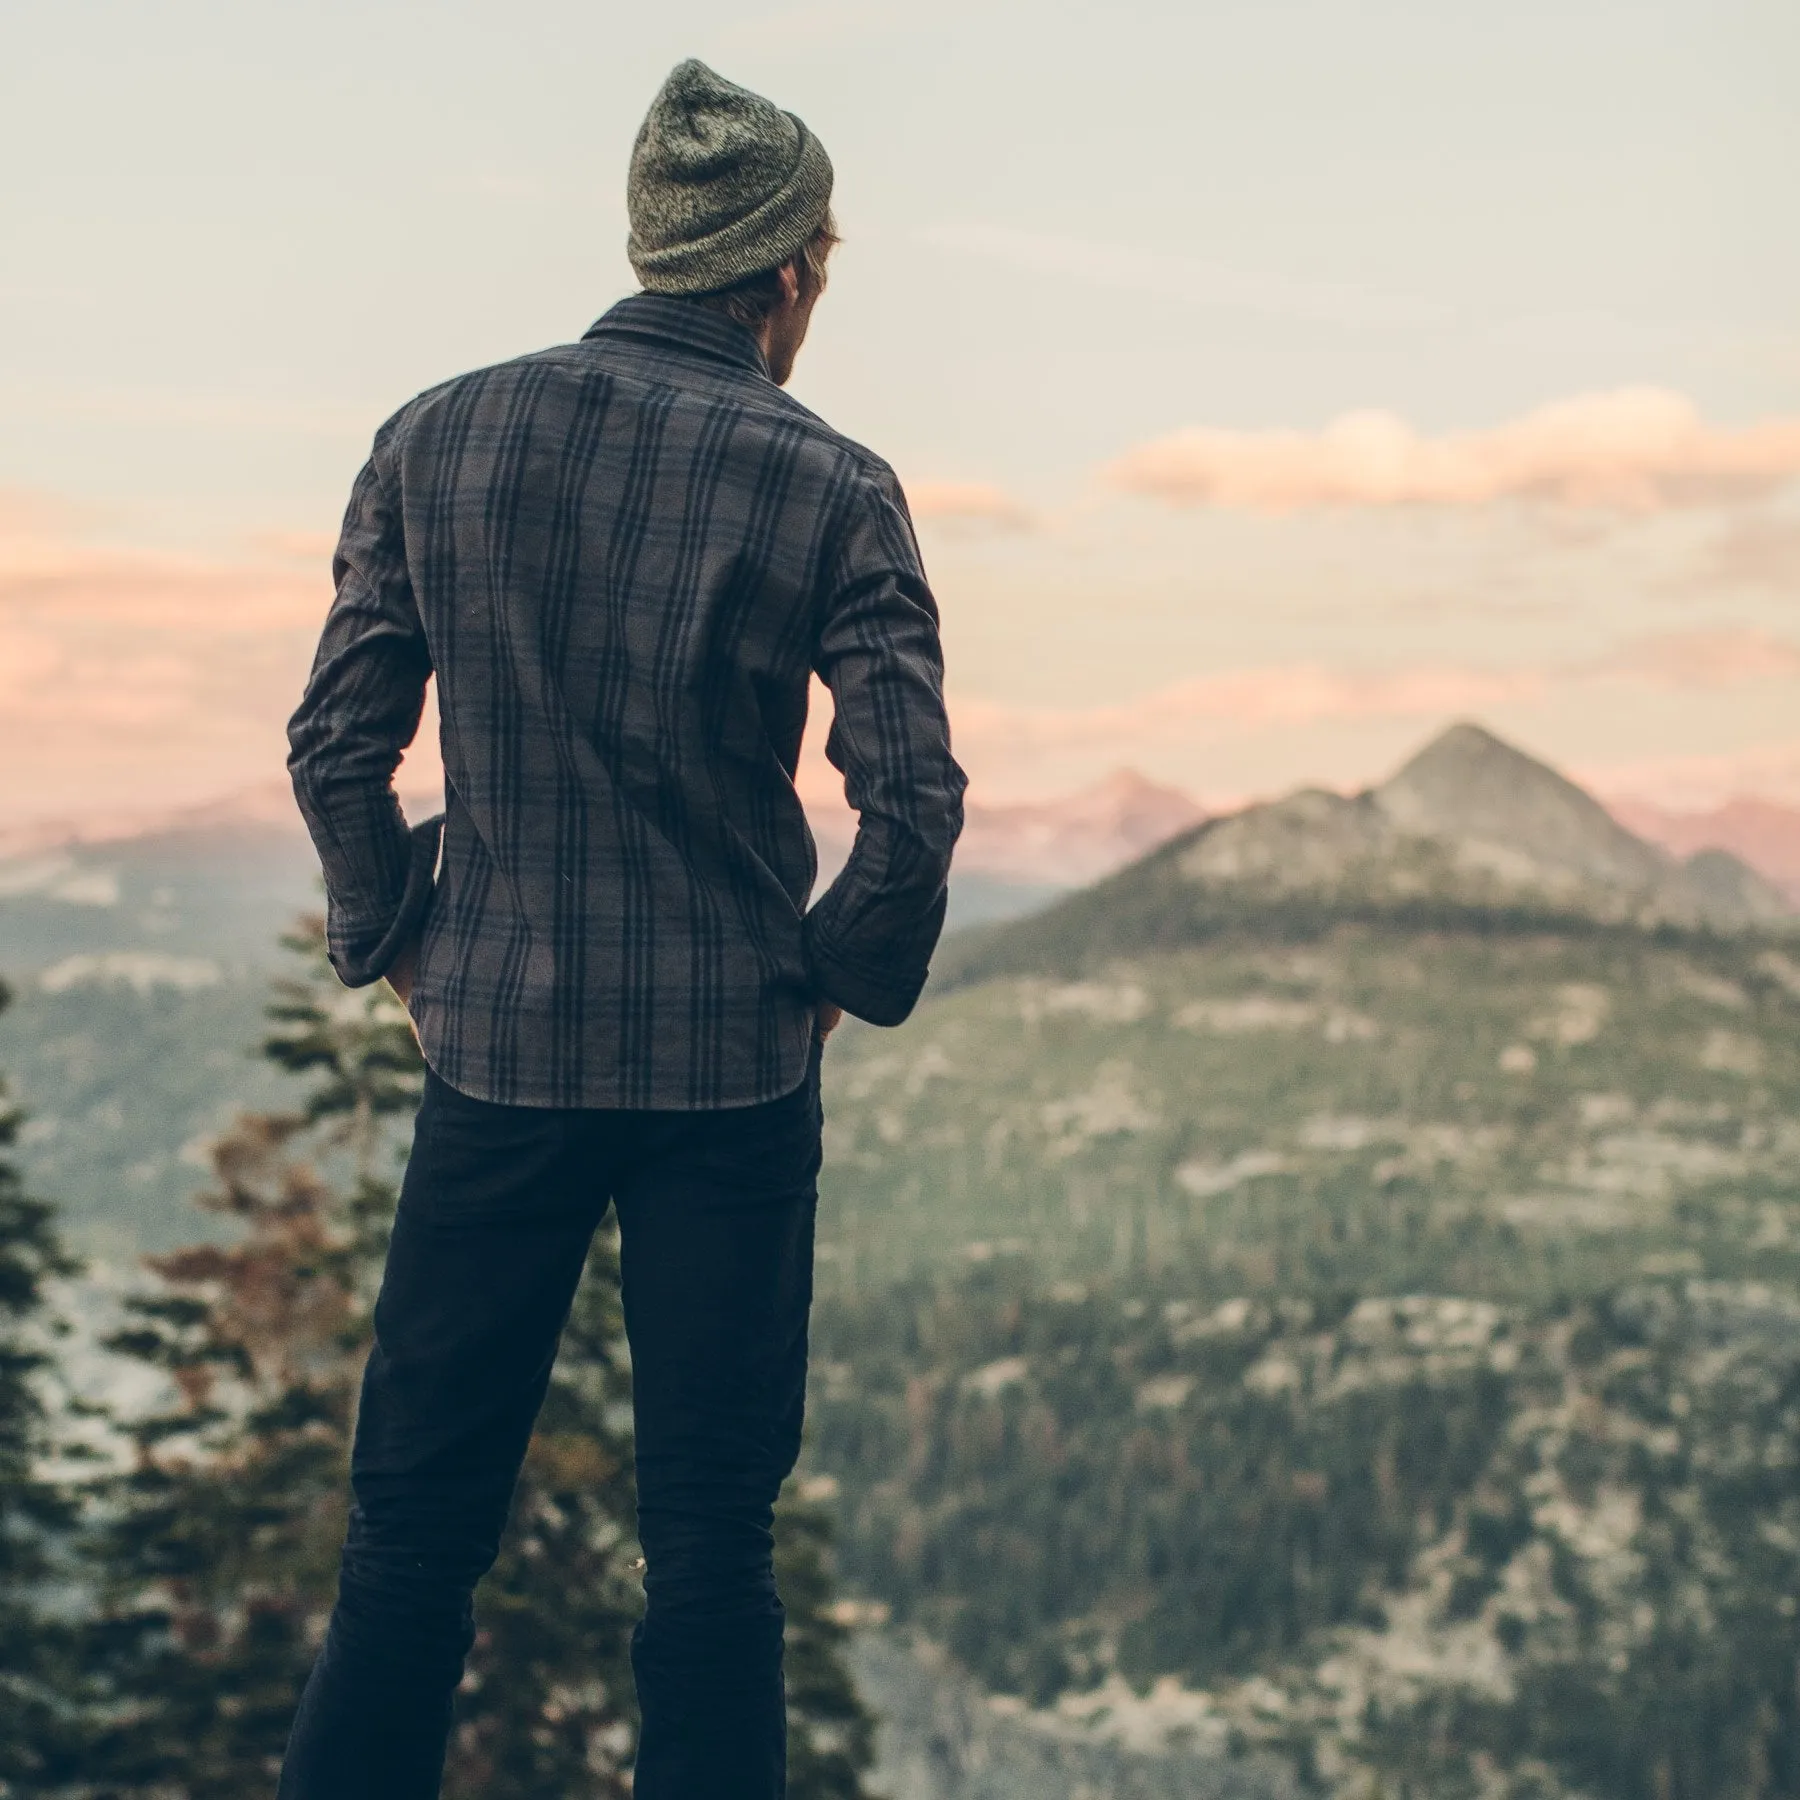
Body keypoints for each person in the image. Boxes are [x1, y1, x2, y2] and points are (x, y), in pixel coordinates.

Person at [278, 57, 965, 1800]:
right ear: (787, 272)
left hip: (496, 1055)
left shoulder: (437, 436)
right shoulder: (833, 484)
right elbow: (914, 799)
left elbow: (339, 743)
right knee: (714, 1552)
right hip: (730, 1085)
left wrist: (403, 946)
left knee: (412, 1538)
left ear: (654, 247)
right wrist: (827, 978)